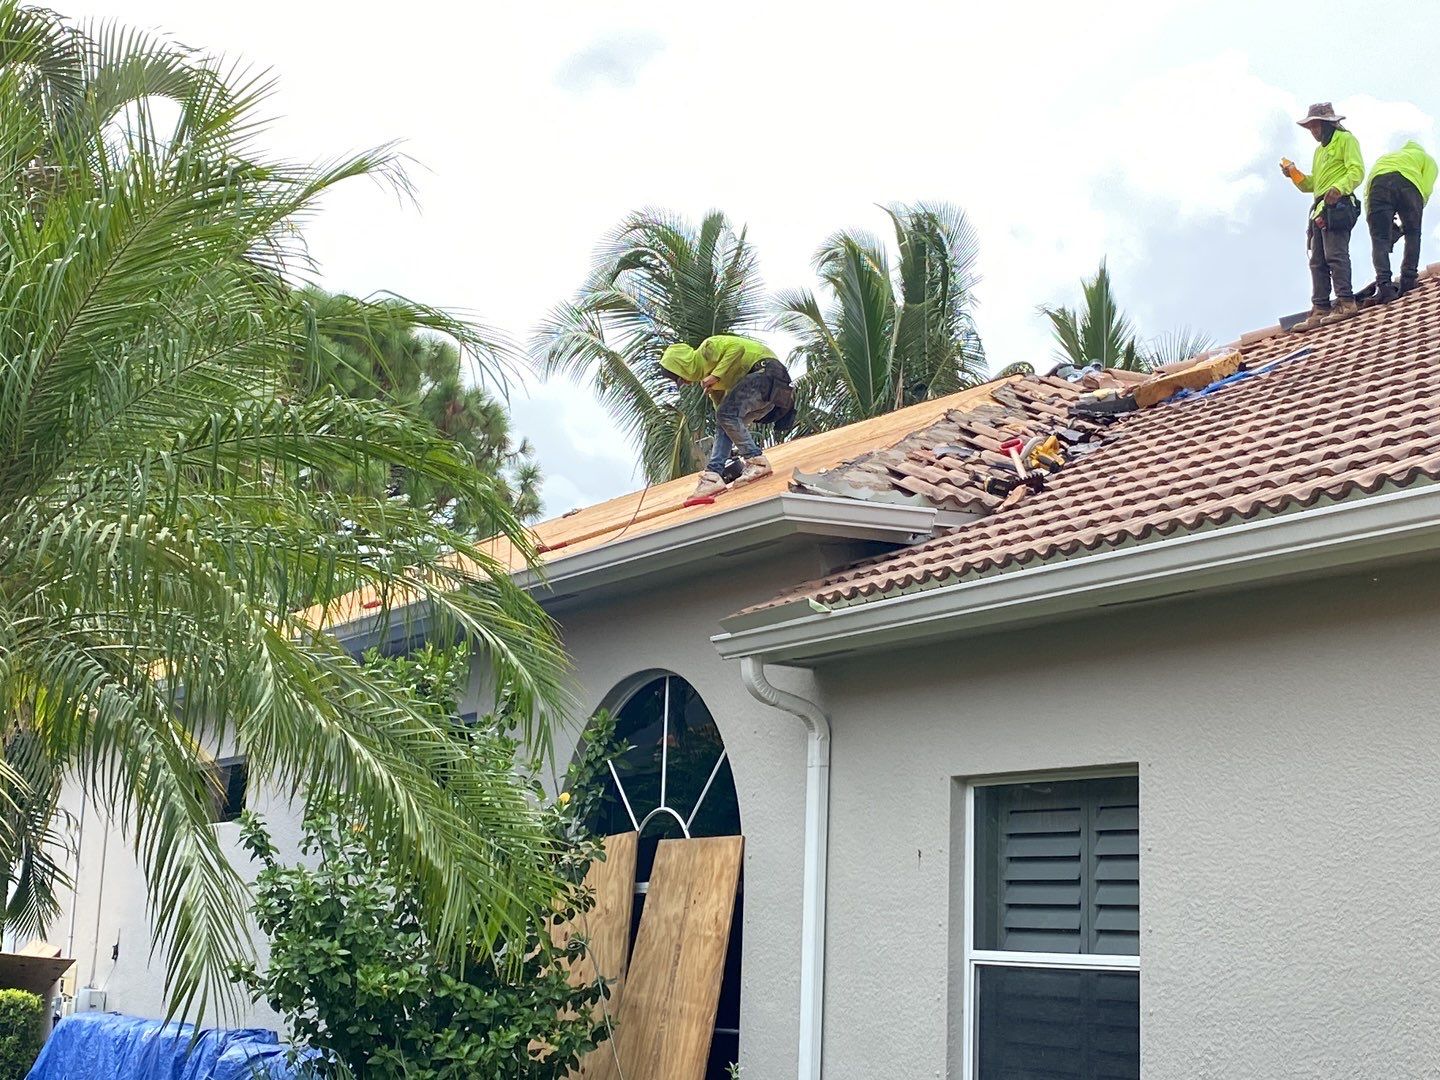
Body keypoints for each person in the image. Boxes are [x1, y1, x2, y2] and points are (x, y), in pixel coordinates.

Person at [659, 335, 795, 498]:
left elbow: (737, 349)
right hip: (770, 391)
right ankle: (713, 476)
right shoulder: (709, 380)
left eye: (681, 378)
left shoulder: (707, 348)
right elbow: (723, 417)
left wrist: (716, 375)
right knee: (724, 423)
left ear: (682, 365)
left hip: (767, 372)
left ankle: (756, 460)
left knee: (726, 416)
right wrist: (730, 424)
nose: (687, 383)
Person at [1283, 102, 1365, 332]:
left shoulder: (1346, 140)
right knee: (1317, 260)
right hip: (1321, 208)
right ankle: (1320, 308)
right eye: (1310, 128)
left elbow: (1356, 170)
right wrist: (1295, 175)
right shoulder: (1319, 152)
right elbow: (1313, 185)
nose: (1313, 132)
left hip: (1338, 205)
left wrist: (1339, 189)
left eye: (1316, 126)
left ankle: (1346, 302)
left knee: (1335, 255)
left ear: (1328, 124)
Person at [1364, 140, 1437, 304]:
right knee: (1413, 234)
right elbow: (1424, 190)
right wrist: (1409, 223)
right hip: (1409, 186)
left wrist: (1378, 222)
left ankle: (1384, 287)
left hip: (1378, 185)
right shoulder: (1427, 159)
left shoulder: (1386, 158)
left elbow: (1368, 191)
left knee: (1380, 239)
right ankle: (1408, 280)